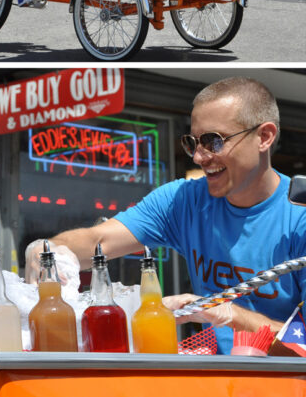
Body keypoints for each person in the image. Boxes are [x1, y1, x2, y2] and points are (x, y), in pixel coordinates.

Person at [30, 77, 306, 355]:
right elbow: (98, 241)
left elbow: (303, 343)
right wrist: (48, 250)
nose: (199, 157)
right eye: (193, 142)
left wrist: (229, 315)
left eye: (213, 141)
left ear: (264, 137)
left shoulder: (300, 214)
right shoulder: (183, 200)